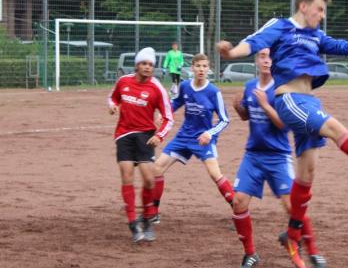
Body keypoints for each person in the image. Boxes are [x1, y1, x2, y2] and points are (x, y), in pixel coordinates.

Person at [217, 0, 348, 268]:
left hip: (309, 101)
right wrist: (230, 54)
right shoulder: (281, 26)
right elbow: (253, 43)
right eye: (319, 9)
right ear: (304, 7)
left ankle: (292, 236)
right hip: (288, 99)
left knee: (306, 176)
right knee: (337, 129)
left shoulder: (315, 35)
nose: (322, 16)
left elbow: (343, 47)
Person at [232, 48, 325, 268]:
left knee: (293, 207)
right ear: (256, 60)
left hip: (278, 156)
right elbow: (246, 116)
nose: (267, 61)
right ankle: (250, 254)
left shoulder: (283, 89)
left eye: (271, 57)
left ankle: (313, 251)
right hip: (253, 155)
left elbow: (283, 125)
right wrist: (238, 108)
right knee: (238, 202)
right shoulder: (249, 87)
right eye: (263, 56)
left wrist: (265, 104)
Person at [152, 53, 233, 221]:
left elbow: (225, 119)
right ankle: (153, 213)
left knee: (215, 174)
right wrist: (164, 114)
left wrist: (209, 133)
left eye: (204, 66)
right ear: (192, 68)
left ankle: (237, 208)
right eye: (198, 66)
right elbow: (176, 102)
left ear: (209, 69)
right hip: (183, 137)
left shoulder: (213, 91)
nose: (201, 69)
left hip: (203, 139)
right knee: (157, 168)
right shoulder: (185, 86)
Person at [108, 47, 174, 243]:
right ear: (137, 65)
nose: (147, 67)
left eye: (151, 65)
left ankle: (146, 219)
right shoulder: (124, 81)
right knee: (127, 176)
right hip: (124, 135)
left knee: (149, 180)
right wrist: (112, 105)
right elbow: (113, 96)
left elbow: (168, 117)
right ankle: (132, 223)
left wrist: (159, 136)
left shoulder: (157, 89)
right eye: (144, 64)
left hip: (145, 136)